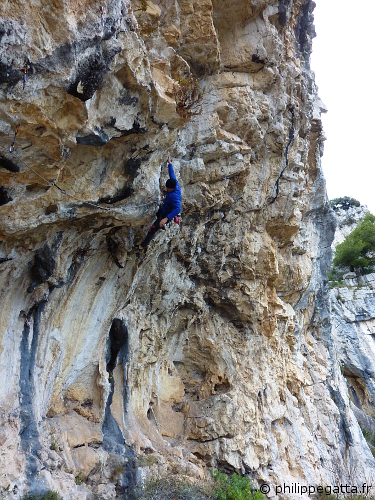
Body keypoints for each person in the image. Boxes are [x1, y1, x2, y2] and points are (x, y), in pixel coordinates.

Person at [139, 156, 181, 250]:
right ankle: (161, 222)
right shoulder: (175, 183)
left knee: (152, 230)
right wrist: (169, 163)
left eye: (168, 188)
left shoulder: (174, 196)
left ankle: (142, 246)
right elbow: (172, 174)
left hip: (166, 215)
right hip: (164, 208)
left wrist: (166, 219)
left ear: (172, 188)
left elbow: (178, 208)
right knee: (158, 212)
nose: (167, 189)